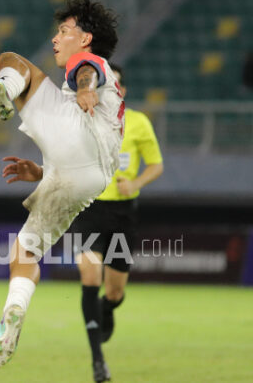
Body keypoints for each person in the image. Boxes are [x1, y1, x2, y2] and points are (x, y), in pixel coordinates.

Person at [0, 0, 123, 371]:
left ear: (85, 37)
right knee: (25, 252)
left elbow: (85, 69)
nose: (56, 39)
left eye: (64, 31)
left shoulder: (92, 63)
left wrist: (86, 87)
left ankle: (6, 91)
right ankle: (12, 312)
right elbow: (79, 155)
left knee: (12, 62)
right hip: (89, 177)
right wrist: (42, 173)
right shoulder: (108, 89)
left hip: (79, 136)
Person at [70, 63, 163, 382]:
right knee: (89, 272)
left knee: (114, 292)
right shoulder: (83, 119)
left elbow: (155, 165)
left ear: (121, 90)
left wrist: (135, 184)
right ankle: (98, 361)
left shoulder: (138, 123)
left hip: (122, 214)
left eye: (115, 85)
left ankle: (107, 309)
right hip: (88, 209)